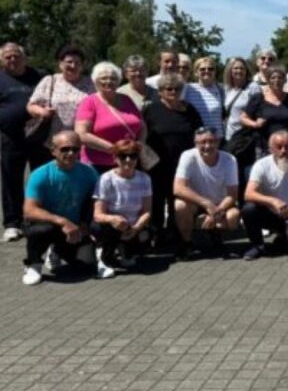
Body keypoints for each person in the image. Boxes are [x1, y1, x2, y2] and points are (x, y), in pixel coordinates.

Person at [21, 131, 99, 285]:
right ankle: (34, 264)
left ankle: (56, 251)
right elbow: (29, 211)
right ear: (53, 151)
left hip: (75, 228)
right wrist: (62, 221)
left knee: (86, 266)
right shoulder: (40, 174)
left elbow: (96, 202)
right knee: (41, 231)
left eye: (75, 149)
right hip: (50, 224)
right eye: (65, 149)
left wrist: (85, 223)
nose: (71, 153)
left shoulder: (89, 173)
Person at [144, 72, 204, 251]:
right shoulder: (150, 109)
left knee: (176, 202)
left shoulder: (189, 110)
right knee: (156, 203)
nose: (173, 92)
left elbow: (199, 135)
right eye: (168, 89)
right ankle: (155, 237)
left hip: (182, 167)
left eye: (177, 89)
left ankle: (176, 236)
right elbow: (142, 137)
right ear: (160, 91)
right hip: (156, 165)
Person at [241, 131, 288, 260]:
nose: (283, 151)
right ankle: (257, 246)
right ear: (271, 149)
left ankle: (285, 236)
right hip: (269, 214)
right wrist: (273, 201)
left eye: (287, 146)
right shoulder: (261, 165)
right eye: (279, 147)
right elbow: (248, 194)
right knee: (248, 209)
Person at [173, 127, 241, 259]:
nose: (207, 146)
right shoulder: (188, 156)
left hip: (221, 204)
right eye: (202, 142)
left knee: (233, 216)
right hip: (197, 204)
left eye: (212, 141)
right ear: (195, 143)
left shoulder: (229, 159)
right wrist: (206, 204)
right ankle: (187, 244)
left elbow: (232, 194)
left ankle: (216, 236)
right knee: (180, 205)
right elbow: (178, 188)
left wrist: (216, 211)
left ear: (218, 142)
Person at [0, 42, 43, 242]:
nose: (12, 59)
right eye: (7, 56)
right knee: (11, 181)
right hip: (11, 137)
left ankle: (39, 218)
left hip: (39, 136)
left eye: (16, 55)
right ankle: (12, 223)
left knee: (40, 179)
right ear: (2, 59)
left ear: (23, 57)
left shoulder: (39, 76)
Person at [91, 140, 152, 278]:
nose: (128, 160)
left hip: (132, 225)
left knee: (144, 239)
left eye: (133, 156)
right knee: (103, 230)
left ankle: (124, 250)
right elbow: (97, 215)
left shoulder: (145, 178)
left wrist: (136, 228)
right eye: (123, 156)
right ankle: (103, 260)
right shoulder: (106, 179)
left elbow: (147, 211)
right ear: (115, 158)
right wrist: (112, 219)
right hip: (112, 225)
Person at [27, 44, 95, 162]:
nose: (73, 66)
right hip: (52, 144)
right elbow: (30, 106)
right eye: (69, 62)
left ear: (82, 65)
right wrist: (43, 112)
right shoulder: (50, 81)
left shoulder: (91, 83)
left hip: (82, 145)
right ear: (60, 63)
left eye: (77, 63)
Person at [74, 62, 144, 174]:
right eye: (104, 78)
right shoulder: (89, 102)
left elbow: (142, 126)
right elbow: (81, 134)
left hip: (128, 162)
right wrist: (116, 150)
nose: (109, 81)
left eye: (113, 78)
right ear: (95, 81)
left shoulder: (127, 99)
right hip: (98, 165)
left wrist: (139, 144)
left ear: (119, 81)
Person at [221, 57, 261, 200]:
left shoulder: (253, 87)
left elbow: (258, 110)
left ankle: (248, 205)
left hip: (247, 137)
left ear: (246, 71)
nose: (238, 71)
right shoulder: (226, 89)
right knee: (233, 175)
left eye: (241, 68)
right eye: (235, 68)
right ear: (230, 71)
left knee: (248, 173)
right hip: (230, 138)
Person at [242, 66, 288, 152]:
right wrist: (255, 124)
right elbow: (243, 118)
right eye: (273, 77)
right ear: (268, 80)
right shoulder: (258, 98)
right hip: (265, 148)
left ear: (285, 80)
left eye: (280, 77)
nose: (277, 80)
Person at [183, 57, 226, 139]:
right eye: (202, 69)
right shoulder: (188, 89)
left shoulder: (221, 89)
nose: (207, 71)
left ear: (215, 72)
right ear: (196, 72)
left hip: (217, 139)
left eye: (210, 69)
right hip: (195, 139)